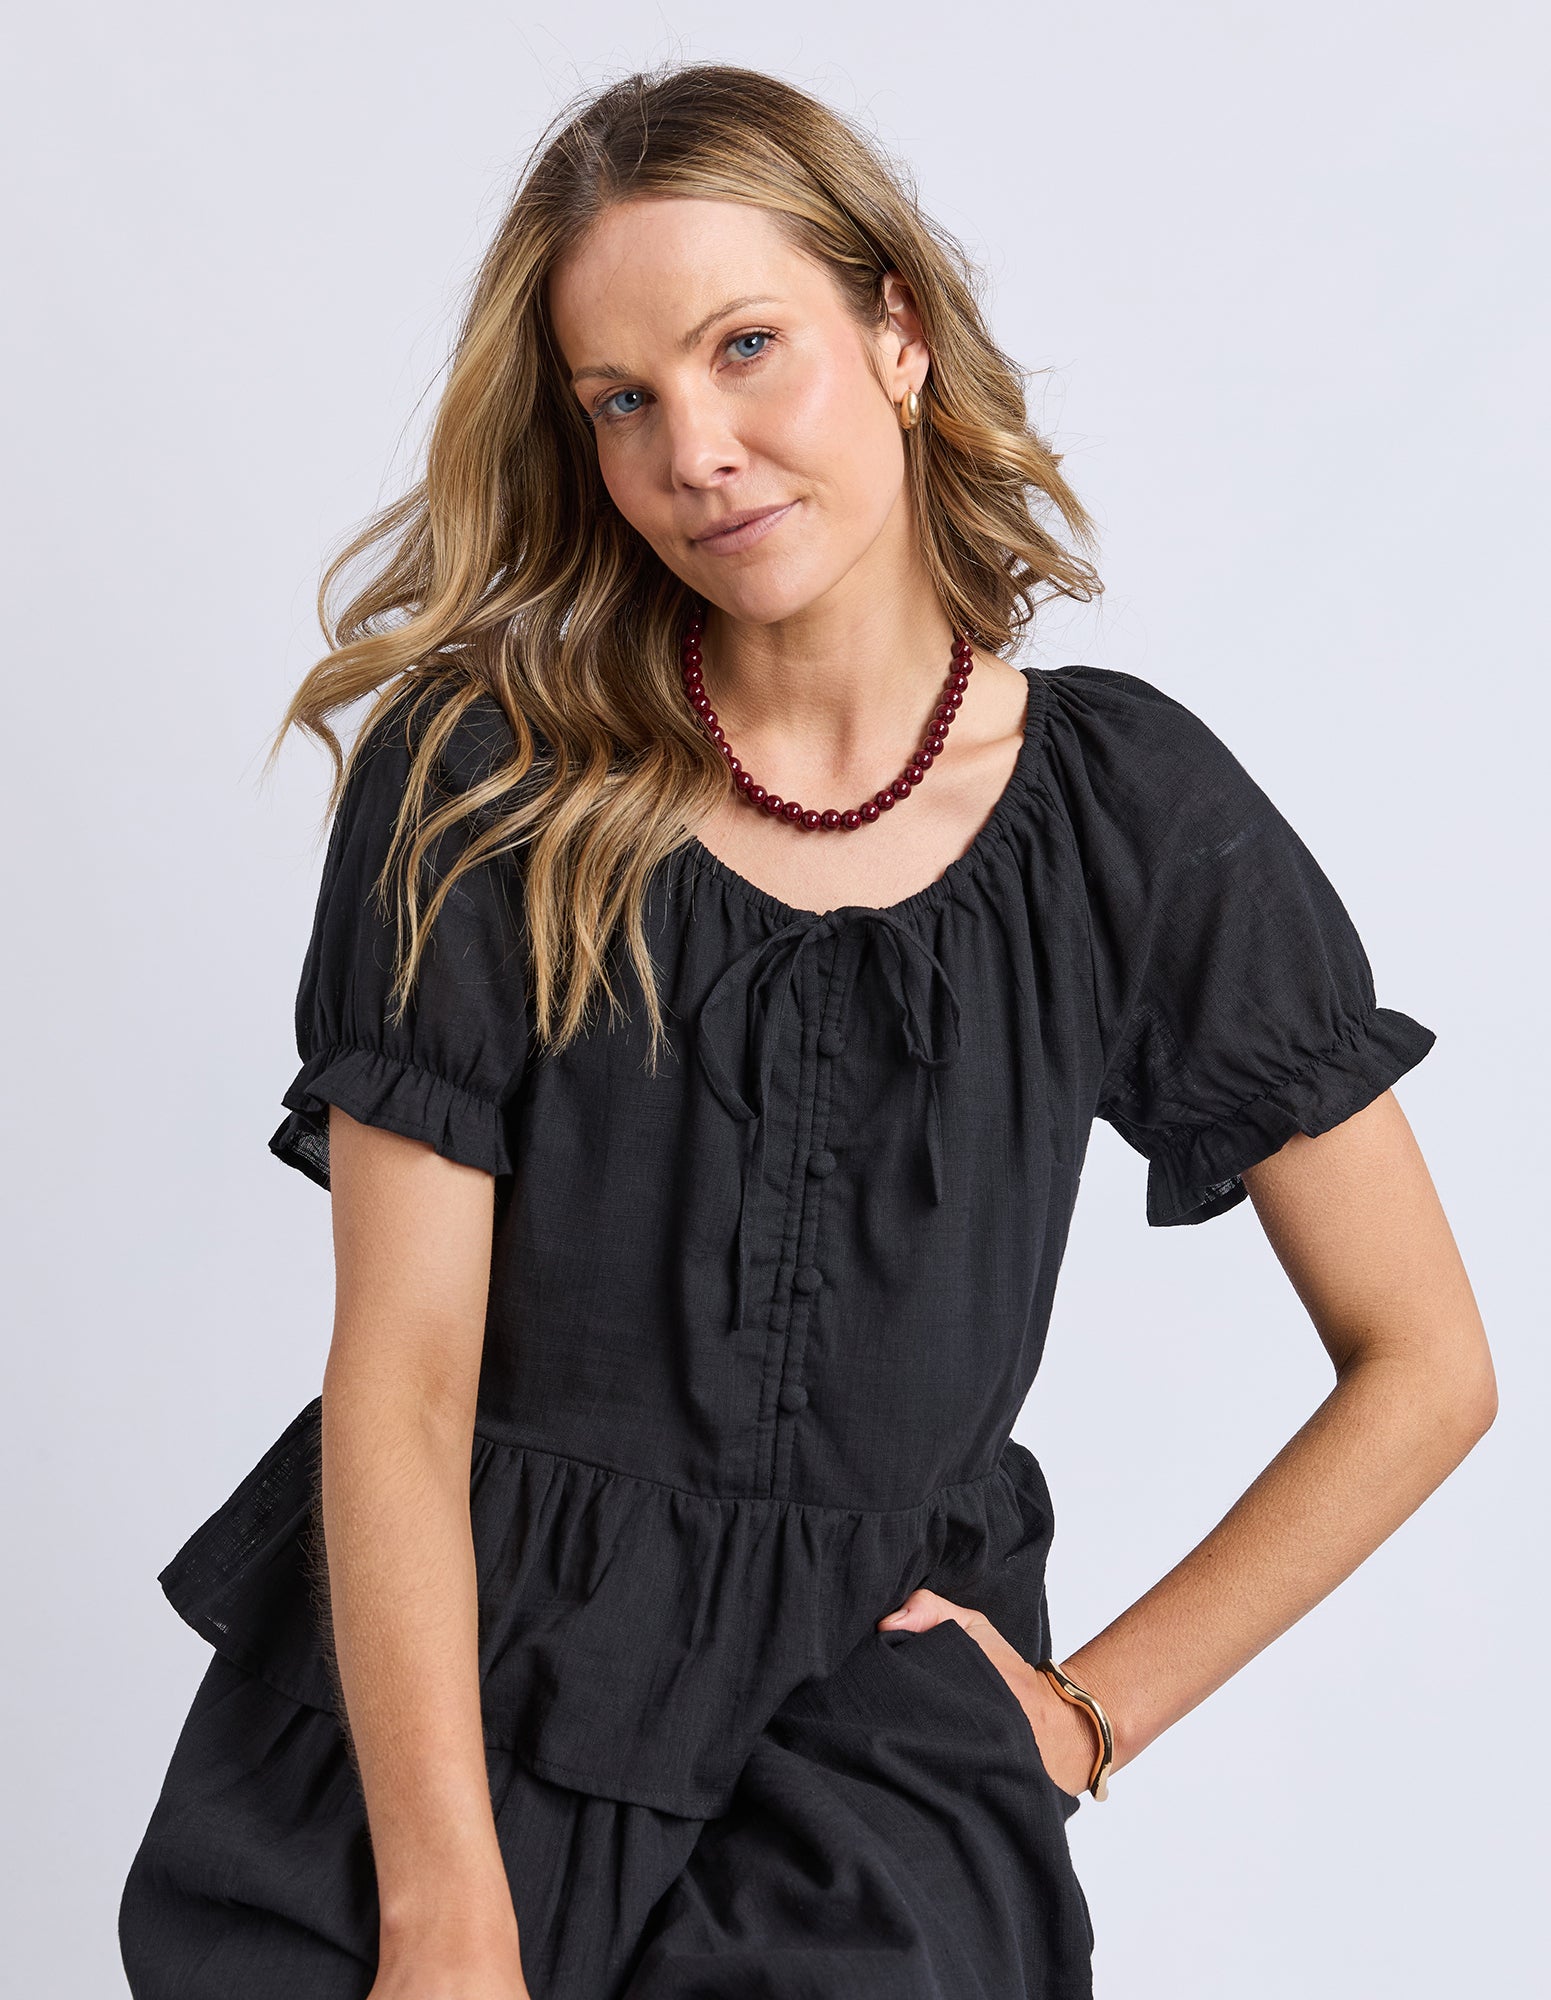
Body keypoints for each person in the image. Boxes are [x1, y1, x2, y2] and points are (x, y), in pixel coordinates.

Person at [117, 60, 1495, 2000]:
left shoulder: (1128, 818)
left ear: (897, 334)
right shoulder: (482, 786)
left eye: (744, 346)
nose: (696, 448)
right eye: (621, 399)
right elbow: (403, 1378)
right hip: (444, 1733)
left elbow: (1425, 1363)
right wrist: (444, 1914)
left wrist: (1087, 1713)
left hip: (876, 1780)